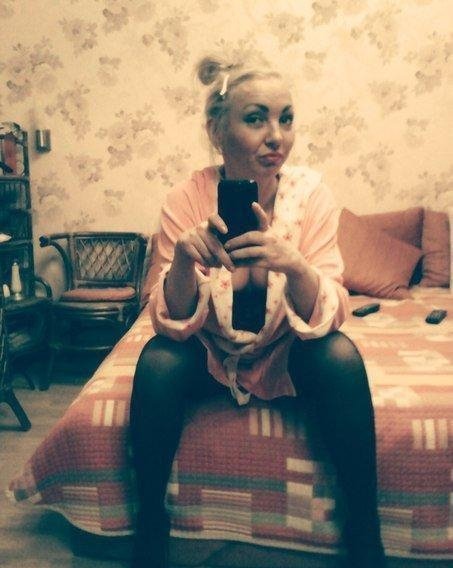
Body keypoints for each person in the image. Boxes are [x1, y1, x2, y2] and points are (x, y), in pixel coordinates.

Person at [129, 55, 386, 568]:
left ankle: (364, 531)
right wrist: (184, 262)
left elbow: (333, 308)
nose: (277, 137)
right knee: (156, 360)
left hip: (282, 350)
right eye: (256, 119)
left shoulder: (311, 196)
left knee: (340, 356)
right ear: (217, 130)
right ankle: (151, 527)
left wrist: (294, 265)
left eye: (286, 118)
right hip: (208, 352)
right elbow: (167, 318)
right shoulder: (185, 198)